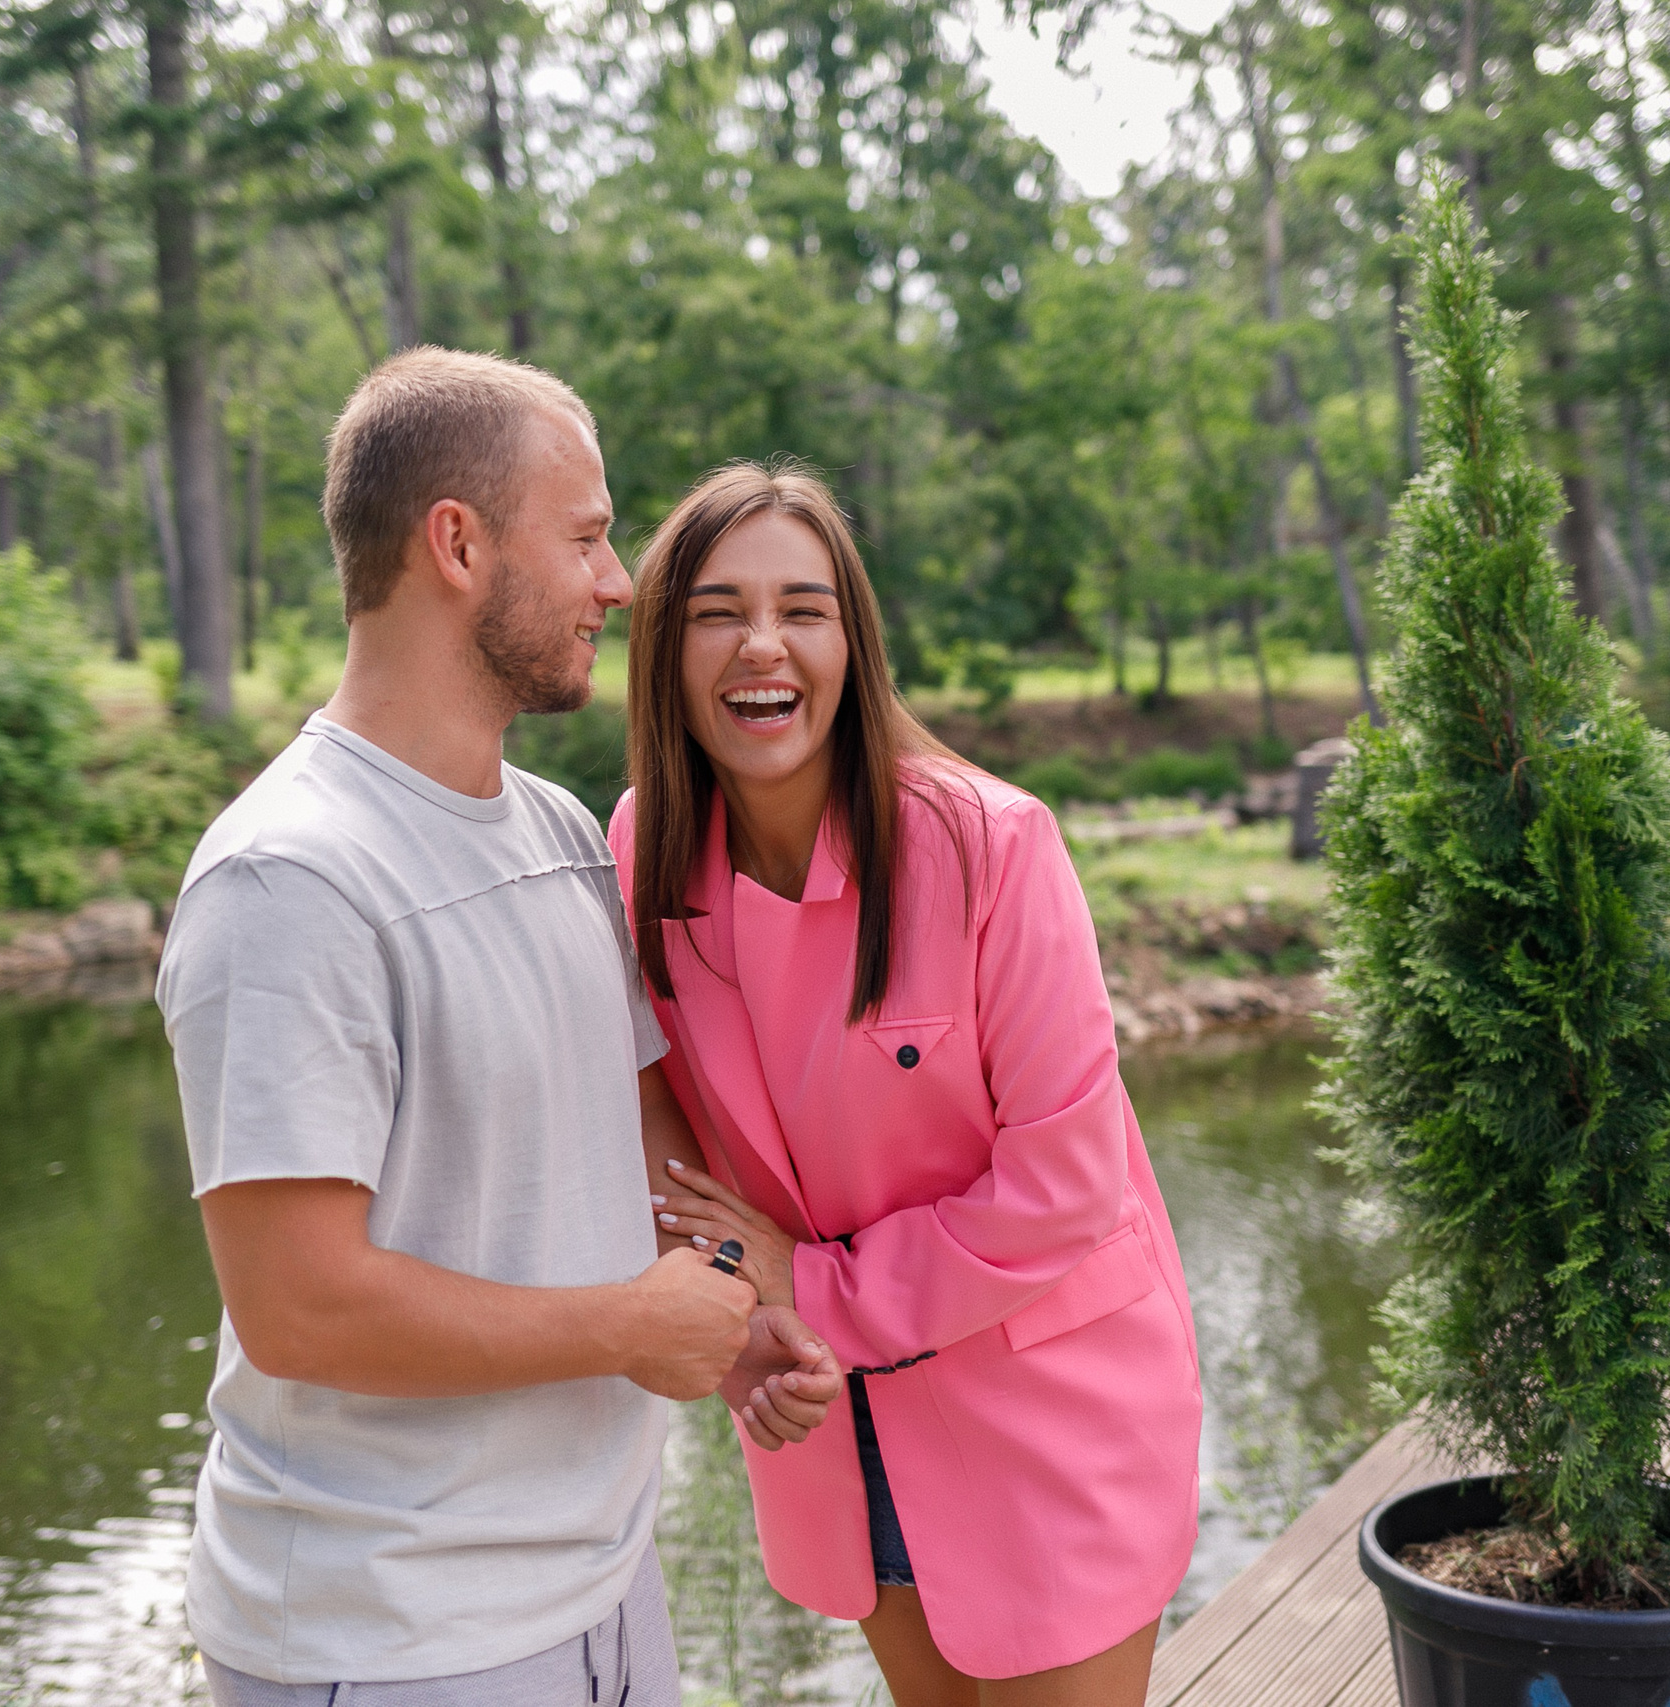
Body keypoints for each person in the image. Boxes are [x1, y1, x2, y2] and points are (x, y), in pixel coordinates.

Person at [156, 351, 843, 1707]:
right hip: (392, 1636)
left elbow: (643, 1154)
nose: (620, 582)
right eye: (586, 535)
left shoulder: (564, 834)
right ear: (457, 542)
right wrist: (630, 1328)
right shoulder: (289, 880)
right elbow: (298, 1307)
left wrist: (725, 1300)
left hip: (601, 1591)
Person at [608, 461, 1204, 1704]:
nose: (759, 644)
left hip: (1048, 1414)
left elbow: (1066, 1187)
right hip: (829, 1421)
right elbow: (680, 1162)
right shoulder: (640, 849)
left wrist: (805, 1283)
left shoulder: (990, 846)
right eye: (716, 611)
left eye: (802, 608)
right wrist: (742, 1335)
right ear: (664, 651)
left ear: (851, 644)